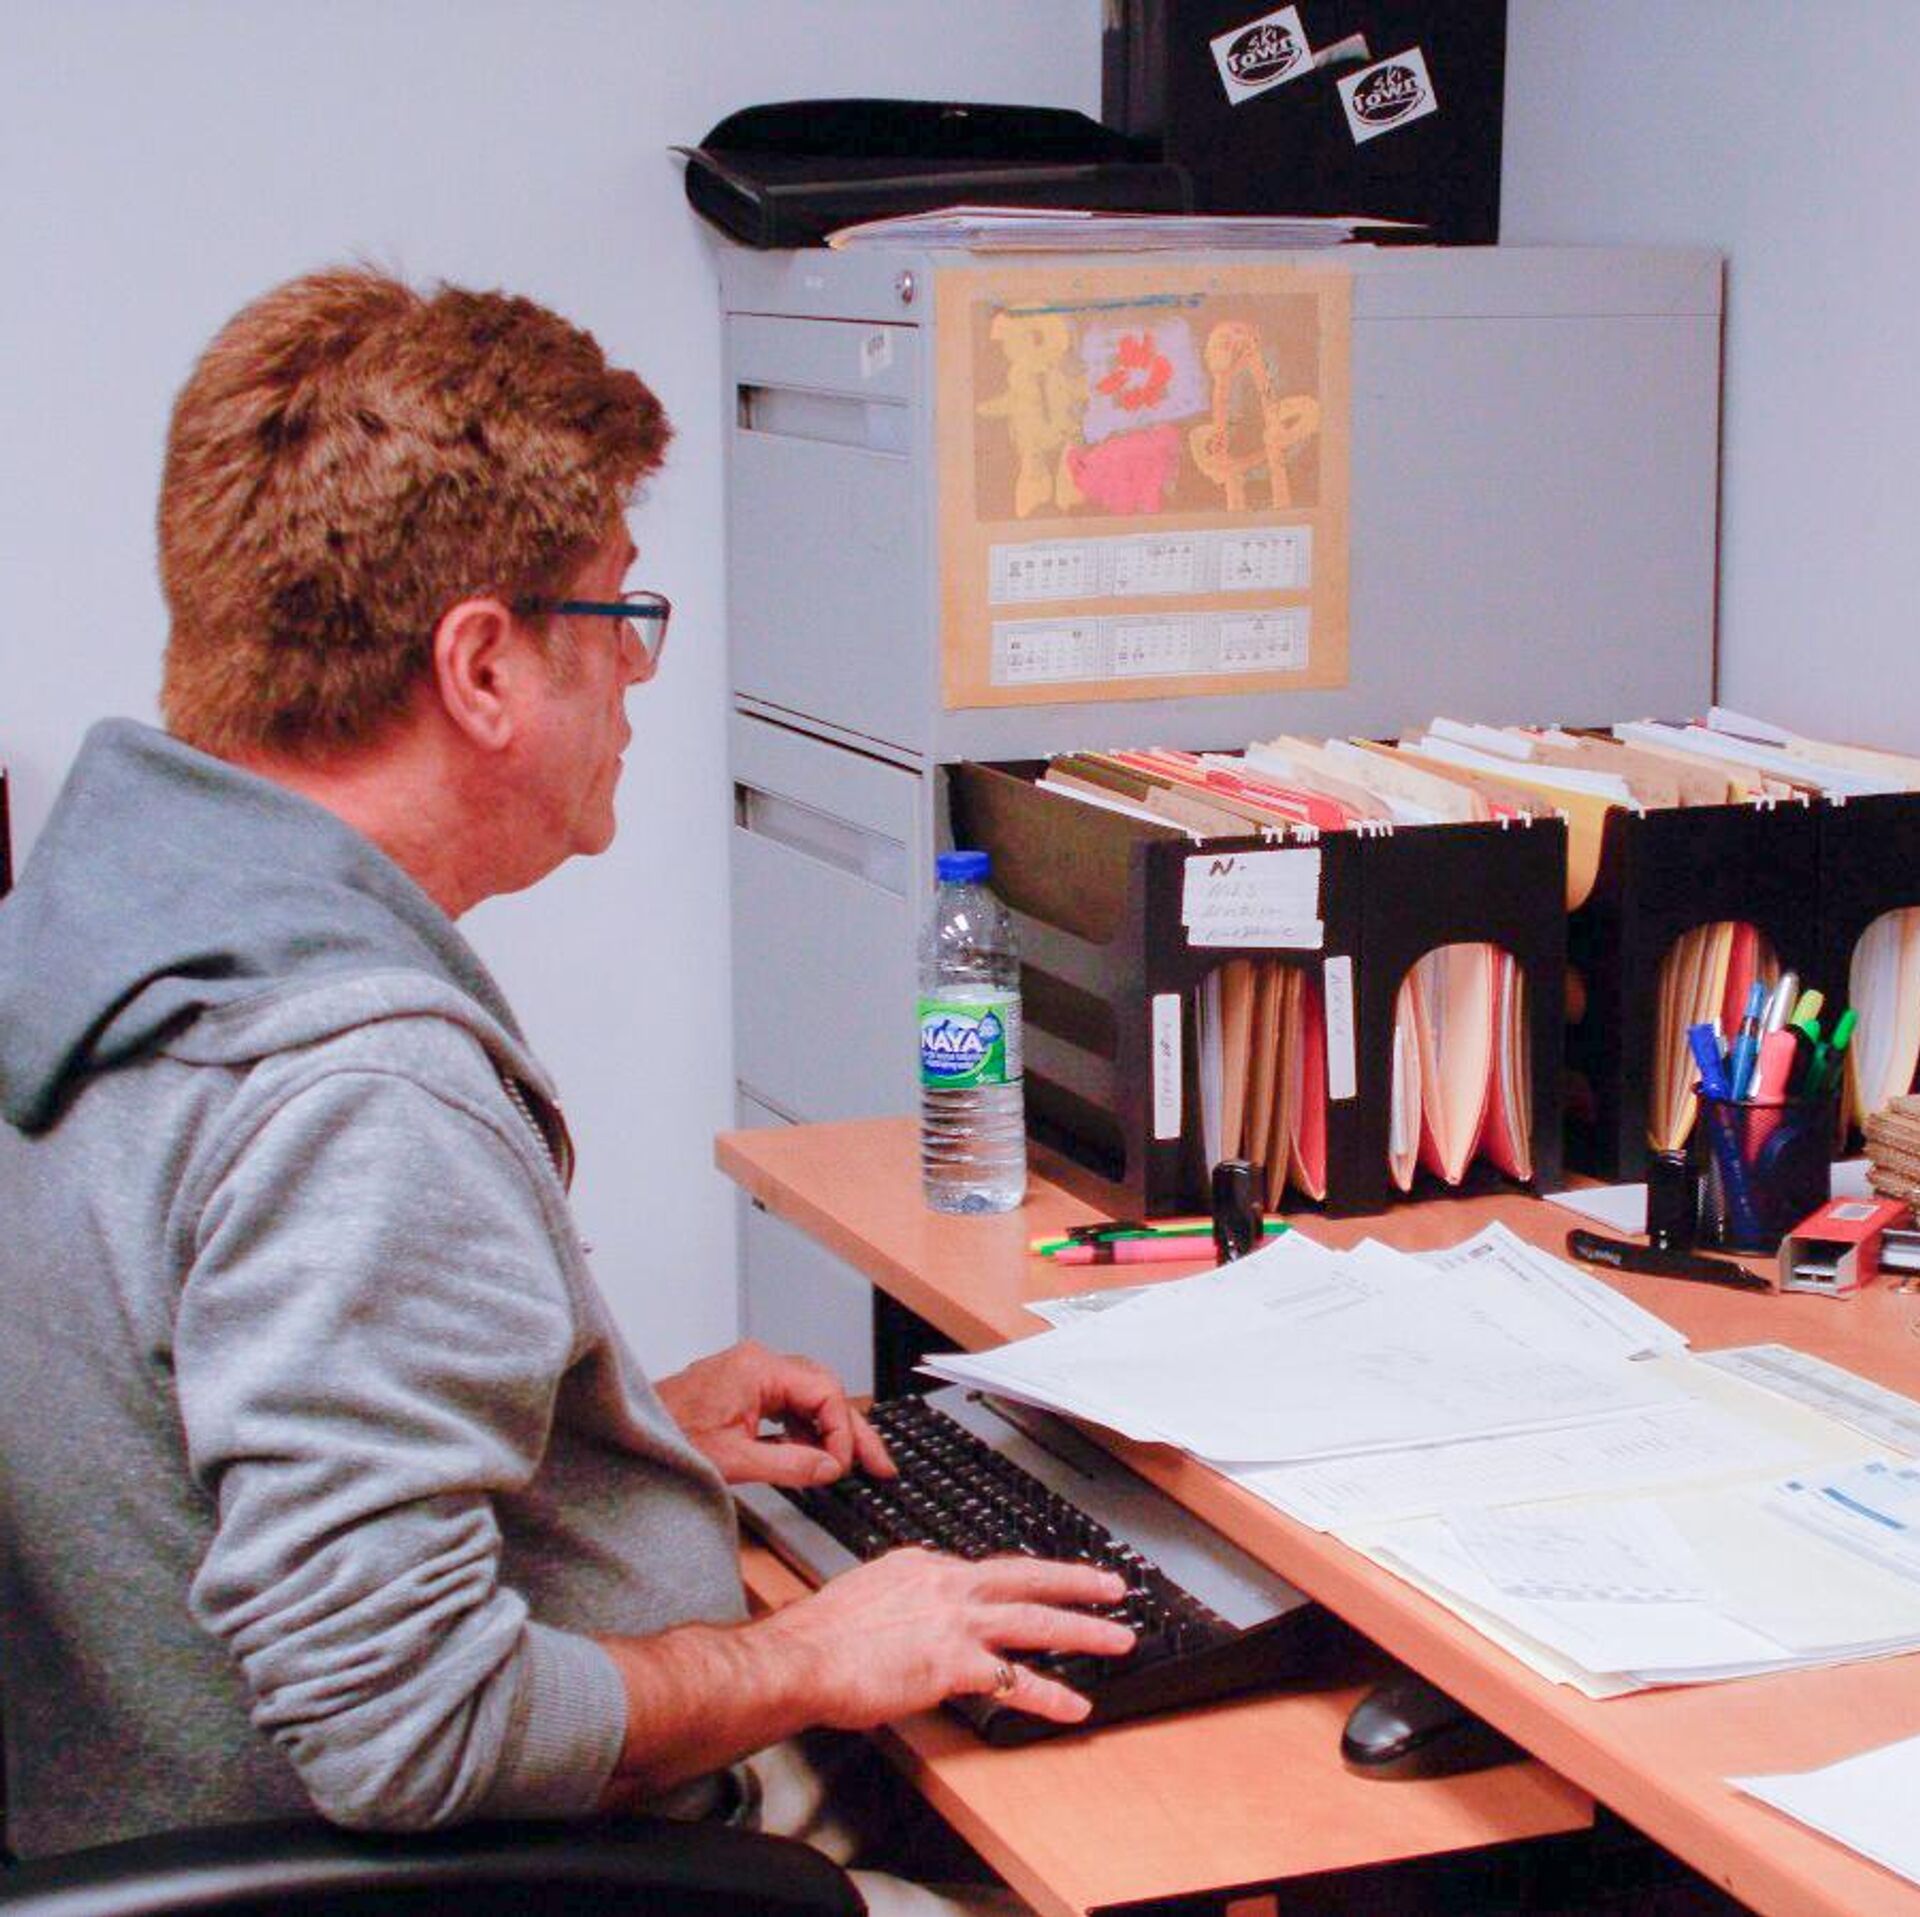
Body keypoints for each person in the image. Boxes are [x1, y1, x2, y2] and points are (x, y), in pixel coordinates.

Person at [0, 269, 1132, 1908]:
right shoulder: (356, 1092)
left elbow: (206, 1430)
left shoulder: (98, 939)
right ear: (483, 670)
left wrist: (599, 1450)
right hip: (526, 1876)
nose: (638, 676)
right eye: (617, 616)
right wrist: (809, 1654)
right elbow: (406, 1729)